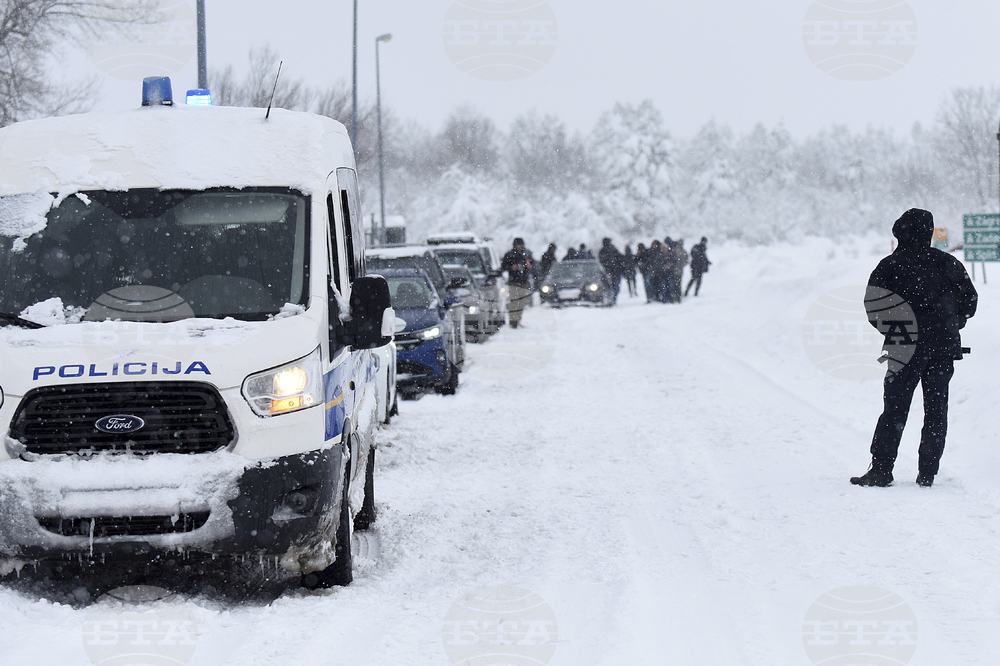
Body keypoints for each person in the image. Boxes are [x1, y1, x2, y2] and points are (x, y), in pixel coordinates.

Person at [851, 209, 978, 488]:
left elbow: (873, 305)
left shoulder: (890, 266)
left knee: (894, 409)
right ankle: (927, 473)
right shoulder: (947, 263)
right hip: (943, 349)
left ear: (900, 233)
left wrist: (894, 330)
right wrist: (951, 324)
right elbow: (970, 300)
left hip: (903, 348)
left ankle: (882, 470)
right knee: (936, 410)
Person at [501, 237, 534, 329]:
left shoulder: (527, 254)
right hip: (513, 282)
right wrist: (512, 267)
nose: (519, 247)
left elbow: (533, 265)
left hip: (524, 281)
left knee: (522, 302)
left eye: (521, 245)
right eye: (518, 245)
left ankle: (518, 319)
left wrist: (529, 266)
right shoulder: (509, 255)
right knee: (514, 302)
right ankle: (513, 321)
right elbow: (503, 266)